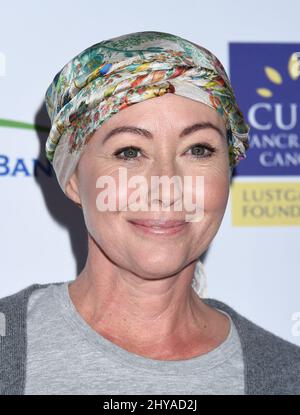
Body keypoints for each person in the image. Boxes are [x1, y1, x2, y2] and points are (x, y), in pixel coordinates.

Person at [1, 31, 299, 395]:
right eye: (129, 152)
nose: (166, 187)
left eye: (198, 150)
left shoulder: (287, 375)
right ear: (73, 179)